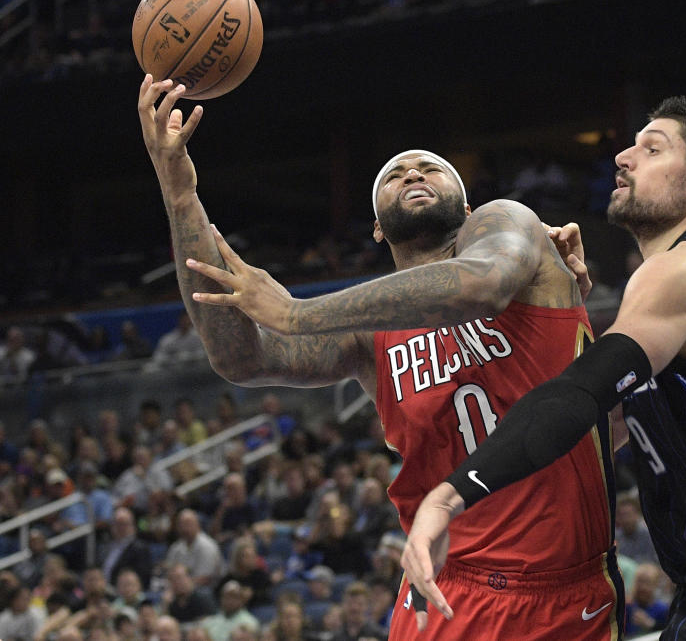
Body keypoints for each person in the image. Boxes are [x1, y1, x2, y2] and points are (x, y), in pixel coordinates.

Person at [138, 74, 623, 639]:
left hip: (559, 589)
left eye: (429, 168)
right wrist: (180, 197)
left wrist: (296, 312)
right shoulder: (369, 334)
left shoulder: (507, 224)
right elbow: (240, 357)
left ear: (468, 208)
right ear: (375, 227)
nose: (413, 172)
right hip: (444, 585)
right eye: (394, 175)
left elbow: (481, 283)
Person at [401, 96, 686, 638]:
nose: (622, 156)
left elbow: (580, 392)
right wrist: (557, 301)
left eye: (651, 148)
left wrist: (450, 494)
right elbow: (584, 430)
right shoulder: (655, 301)